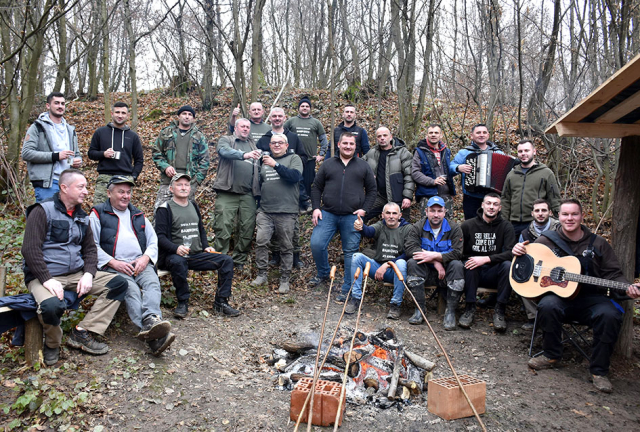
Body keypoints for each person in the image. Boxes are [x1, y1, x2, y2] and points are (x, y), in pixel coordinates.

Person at [512, 199, 640, 393]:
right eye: (565, 214)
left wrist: (626, 288)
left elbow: (613, 274)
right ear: (559, 217)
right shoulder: (547, 240)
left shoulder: (598, 244)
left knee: (610, 315)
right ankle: (551, 355)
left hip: (592, 299)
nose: (569, 218)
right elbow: (529, 259)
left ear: (581, 216)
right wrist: (518, 251)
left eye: (574, 214)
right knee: (547, 305)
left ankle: (599, 371)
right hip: (561, 298)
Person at [21, 169, 128, 366]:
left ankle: (83, 331)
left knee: (119, 284)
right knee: (50, 306)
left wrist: (88, 274)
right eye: (81, 187)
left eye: (86, 187)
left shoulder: (82, 217)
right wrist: (47, 279)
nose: (86, 191)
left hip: (76, 273)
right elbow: (30, 250)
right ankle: (53, 344)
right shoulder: (41, 211)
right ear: (64, 187)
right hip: (45, 276)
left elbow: (90, 251)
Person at [89, 176, 175, 356]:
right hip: (114, 266)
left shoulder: (138, 214)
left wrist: (145, 258)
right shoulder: (97, 214)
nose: (125, 196)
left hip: (140, 263)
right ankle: (152, 332)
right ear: (109, 193)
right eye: (121, 192)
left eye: (128, 192)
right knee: (131, 290)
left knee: (152, 283)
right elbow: (91, 245)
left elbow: (153, 241)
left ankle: (151, 320)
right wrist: (113, 262)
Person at [156, 173, 239, 318]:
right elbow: (159, 237)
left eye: (186, 185)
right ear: (171, 189)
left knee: (226, 260)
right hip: (174, 256)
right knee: (178, 262)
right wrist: (176, 248)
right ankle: (183, 302)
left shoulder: (193, 205)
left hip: (195, 255)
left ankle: (221, 302)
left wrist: (206, 246)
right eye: (179, 185)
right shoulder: (165, 208)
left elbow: (200, 229)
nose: (183, 188)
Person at [309, 132, 377, 300]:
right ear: (338, 144)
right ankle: (324, 273)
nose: (348, 146)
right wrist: (316, 208)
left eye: (351, 144)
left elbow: (372, 190)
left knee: (350, 253)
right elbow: (316, 187)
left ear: (356, 146)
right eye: (345, 143)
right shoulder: (328, 164)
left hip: (351, 216)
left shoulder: (363, 166)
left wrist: (364, 210)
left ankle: (347, 288)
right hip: (328, 213)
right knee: (317, 244)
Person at [256, 107, 309, 267]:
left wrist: (283, 164)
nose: (277, 118)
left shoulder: (293, 138)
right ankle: (274, 257)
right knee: (267, 236)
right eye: (274, 116)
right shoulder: (263, 139)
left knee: (291, 233)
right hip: (267, 203)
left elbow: (299, 166)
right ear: (270, 118)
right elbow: (259, 177)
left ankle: (295, 259)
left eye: (280, 116)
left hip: (291, 196)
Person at [250, 134, 303, 293]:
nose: (277, 145)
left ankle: (285, 279)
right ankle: (262, 274)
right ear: (270, 145)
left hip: (287, 211)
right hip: (265, 210)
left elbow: (295, 177)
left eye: (280, 143)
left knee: (286, 246)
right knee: (261, 241)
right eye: (273, 143)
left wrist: (276, 165)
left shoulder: (294, 158)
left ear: (286, 145)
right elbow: (259, 183)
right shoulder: (263, 161)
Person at [404, 196, 465, 328]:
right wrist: (435, 262)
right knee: (412, 262)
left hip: (447, 273)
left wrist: (435, 256)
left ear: (445, 212)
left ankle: (450, 312)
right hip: (425, 271)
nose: (436, 215)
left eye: (439, 211)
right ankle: (420, 310)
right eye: (432, 211)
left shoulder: (454, 228)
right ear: (426, 211)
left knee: (457, 265)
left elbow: (457, 253)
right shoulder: (418, 227)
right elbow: (410, 248)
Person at [459, 193, 516, 331]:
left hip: (494, 272)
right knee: (470, 264)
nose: (491, 207)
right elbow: (458, 251)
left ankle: (500, 310)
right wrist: (472, 260)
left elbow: (511, 252)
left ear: (500, 208)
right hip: (473, 273)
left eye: (495, 204)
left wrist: (486, 259)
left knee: (508, 266)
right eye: (488, 203)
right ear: (482, 205)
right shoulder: (467, 225)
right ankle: (469, 308)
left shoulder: (506, 226)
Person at [212, 118, 261, 269]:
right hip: (227, 192)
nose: (246, 129)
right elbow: (224, 151)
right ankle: (219, 260)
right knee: (223, 226)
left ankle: (239, 260)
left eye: (248, 127)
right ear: (236, 128)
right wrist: (244, 155)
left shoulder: (253, 144)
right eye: (243, 126)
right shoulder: (226, 140)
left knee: (247, 227)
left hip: (248, 194)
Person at [348, 202, 412, 319]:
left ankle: (395, 305)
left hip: (397, 272)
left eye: (394, 213)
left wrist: (388, 264)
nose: (391, 216)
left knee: (401, 263)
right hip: (377, 267)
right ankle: (356, 298)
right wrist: (361, 227)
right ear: (382, 215)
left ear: (400, 215)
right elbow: (369, 232)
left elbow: (408, 253)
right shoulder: (381, 225)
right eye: (388, 213)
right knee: (357, 257)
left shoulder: (407, 229)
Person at [22, 92, 81, 202]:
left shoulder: (70, 129)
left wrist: (77, 161)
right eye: (57, 103)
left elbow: (76, 154)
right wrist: (56, 156)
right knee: (46, 217)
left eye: (63, 104)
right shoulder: (37, 127)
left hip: (68, 183)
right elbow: (26, 153)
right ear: (48, 106)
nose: (60, 106)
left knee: (67, 218)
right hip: (47, 183)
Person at [151, 105, 210, 210]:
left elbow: (205, 160)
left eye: (190, 114)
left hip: (188, 182)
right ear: (178, 116)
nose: (187, 117)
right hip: (168, 181)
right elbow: (156, 152)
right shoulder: (166, 132)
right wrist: (165, 167)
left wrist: (195, 181)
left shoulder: (199, 137)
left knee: (184, 215)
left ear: (193, 118)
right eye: (184, 114)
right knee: (161, 212)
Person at [501, 140, 560, 238]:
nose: (523, 154)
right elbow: (505, 199)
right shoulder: (512, 174)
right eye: (520, 151)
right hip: (514, 224)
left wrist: (561, 220)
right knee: (512, 252)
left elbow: (554, 198)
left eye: (526, 150)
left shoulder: (546, 173)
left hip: (536, 223)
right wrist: (504, 222)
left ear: (534, 151)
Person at [88, 102, 144, 204]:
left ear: (127, 115)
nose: (120, 115)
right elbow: (91, 153)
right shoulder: (100, 132)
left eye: (123, 113)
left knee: (123, 211)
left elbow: (139, 160)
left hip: (125, 178)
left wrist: (134, 176)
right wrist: (103, 154)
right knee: (99, 210)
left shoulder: (133, 136)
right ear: (112, 113)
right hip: (104, 178)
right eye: (117, 112)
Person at [517, 199, 560, 329]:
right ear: (532, 213)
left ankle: (554, 318)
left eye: (544, 210)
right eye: (537, 211)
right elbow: (522, 256)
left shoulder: (560, 229)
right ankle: (534, 318)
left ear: (550, 212)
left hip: (558, 269)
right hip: (537, 269)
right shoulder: (525, 233)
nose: (540, 213)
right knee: (521, 278)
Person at [450, 124, 505, 219]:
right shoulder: (464, 152)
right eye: (478, 132)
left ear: (488, 135)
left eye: (484, 132)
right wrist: (458, 167)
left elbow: (508, 171)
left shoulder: (498, 153)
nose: (481, 135)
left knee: (493, 226)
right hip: (471, 197)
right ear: (471, 135)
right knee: (471, 225)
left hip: (493, 198)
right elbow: (450, 167)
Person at [362, 127, 414, 222]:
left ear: (391, 137)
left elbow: (409, 176)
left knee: (403, 226)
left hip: (399, 197)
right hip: (379, 196)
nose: (382, 138)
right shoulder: (372, 153)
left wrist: (407, 196)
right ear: (376, 139)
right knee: (361, 214)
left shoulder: (403, 153)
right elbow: (359, 167)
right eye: (379, 136)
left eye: (385, 135)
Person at [284, 96, 328, 197]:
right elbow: (281, 134)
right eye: (302, 106)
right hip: (293, 158)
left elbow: (323, 139)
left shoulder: (316, 122)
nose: (304, 108)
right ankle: (295, 203)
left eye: (307, 106)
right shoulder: (291, 121)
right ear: (298, 108)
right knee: (294, 181)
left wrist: (321, 154)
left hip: (310, 159)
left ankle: (307, 204)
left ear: (310, 108)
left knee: (308, 182)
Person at [412, 124, 456, 217]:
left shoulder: (446, 151)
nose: (433, 135)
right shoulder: (420, 151)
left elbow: (448, 171)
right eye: (431, 133)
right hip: (428, 195)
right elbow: (415, 173)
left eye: (436, 133)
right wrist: (432, 181)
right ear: (427, 135)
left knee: (447, 225)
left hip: (446, 195)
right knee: (427, 225)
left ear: (441, 135)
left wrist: (451, 191)